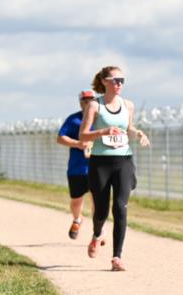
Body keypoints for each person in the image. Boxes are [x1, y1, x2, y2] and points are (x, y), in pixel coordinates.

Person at [78, 65, 150, 271]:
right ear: (104, 81)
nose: (119, 84)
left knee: (120, 208)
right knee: (100, 210)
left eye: (122, 80)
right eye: (116, 80)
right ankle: (97, 234)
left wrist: (138, 133)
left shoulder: (128, 105)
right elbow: (83, 135)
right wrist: (103, 131)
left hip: (123, 161)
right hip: (100, 162)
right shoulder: (94, 106)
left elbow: (128, 128)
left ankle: (116, 257)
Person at [57, 90, 96, 239]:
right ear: (81, 103)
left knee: (97, 200)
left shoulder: (99, 120)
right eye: (85, 101)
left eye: (91, 100)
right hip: (77, 168)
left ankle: (97, 230)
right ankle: (77, 219)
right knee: (76, 201)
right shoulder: (74, 120)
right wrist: (78, 144)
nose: (88, 103)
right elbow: (61, 138)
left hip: (97, 167)